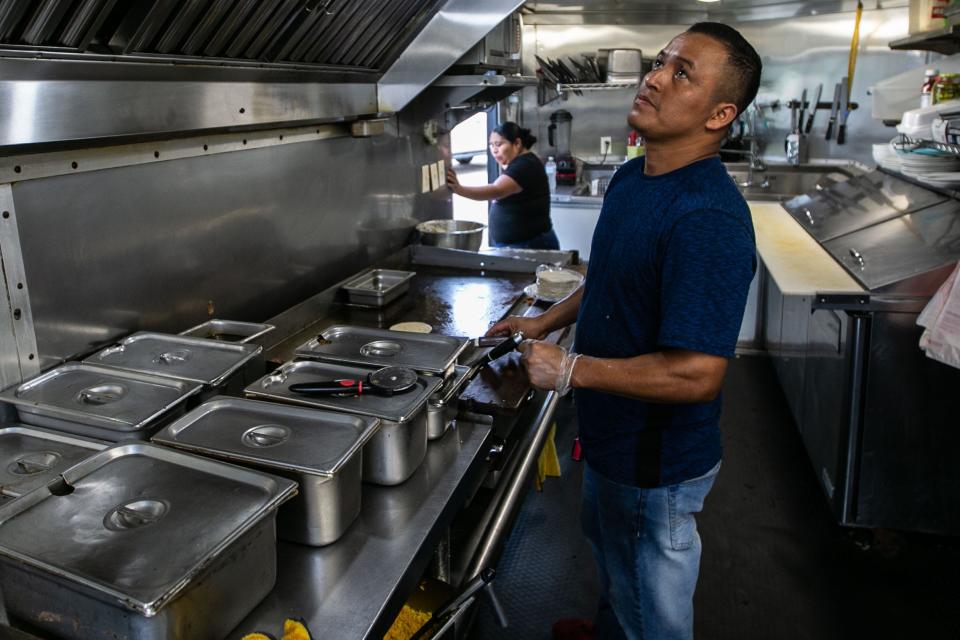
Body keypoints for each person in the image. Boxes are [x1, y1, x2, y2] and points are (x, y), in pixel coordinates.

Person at [487, 23, 761, 640]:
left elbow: (698, 373)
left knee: (651, 601)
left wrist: (569, 369)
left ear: (721, 114)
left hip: (655, 460)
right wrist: (544, 321)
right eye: (662, 62)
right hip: (612, 433)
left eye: (682, 72)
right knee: (614, 561)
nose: (656, 77)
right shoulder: (636, 179)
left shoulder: (708, 219)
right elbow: (610, 280)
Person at [446, 122, 560, 249]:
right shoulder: (520, 162)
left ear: (517, 143)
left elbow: (496, 190)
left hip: (531, 245)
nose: (494, 150)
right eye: (491, 145)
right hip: (521, 244)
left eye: (499, 144)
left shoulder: (525, 165)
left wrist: (460, 189)